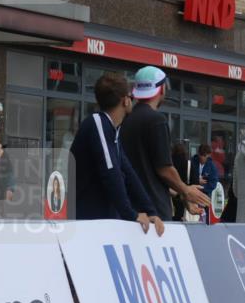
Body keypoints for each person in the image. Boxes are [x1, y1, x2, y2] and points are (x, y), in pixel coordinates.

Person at [69, 72, 164, 235]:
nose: (132, 101)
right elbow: (111, 172)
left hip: (103, 221)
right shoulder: (97, 123)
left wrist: (150, 211)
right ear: (125, 100)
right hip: (88, 223)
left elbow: (129, 173)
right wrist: (131, 214)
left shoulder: (113, 130)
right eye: (131, 97)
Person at [121, 66, 209, 220]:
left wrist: (181, 195)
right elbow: (164, 170)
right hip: (155, 211)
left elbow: (145, 174)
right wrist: (186, 190)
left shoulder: (125, 119)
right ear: (161, 89)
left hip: (131, 208)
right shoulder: (156, 120)